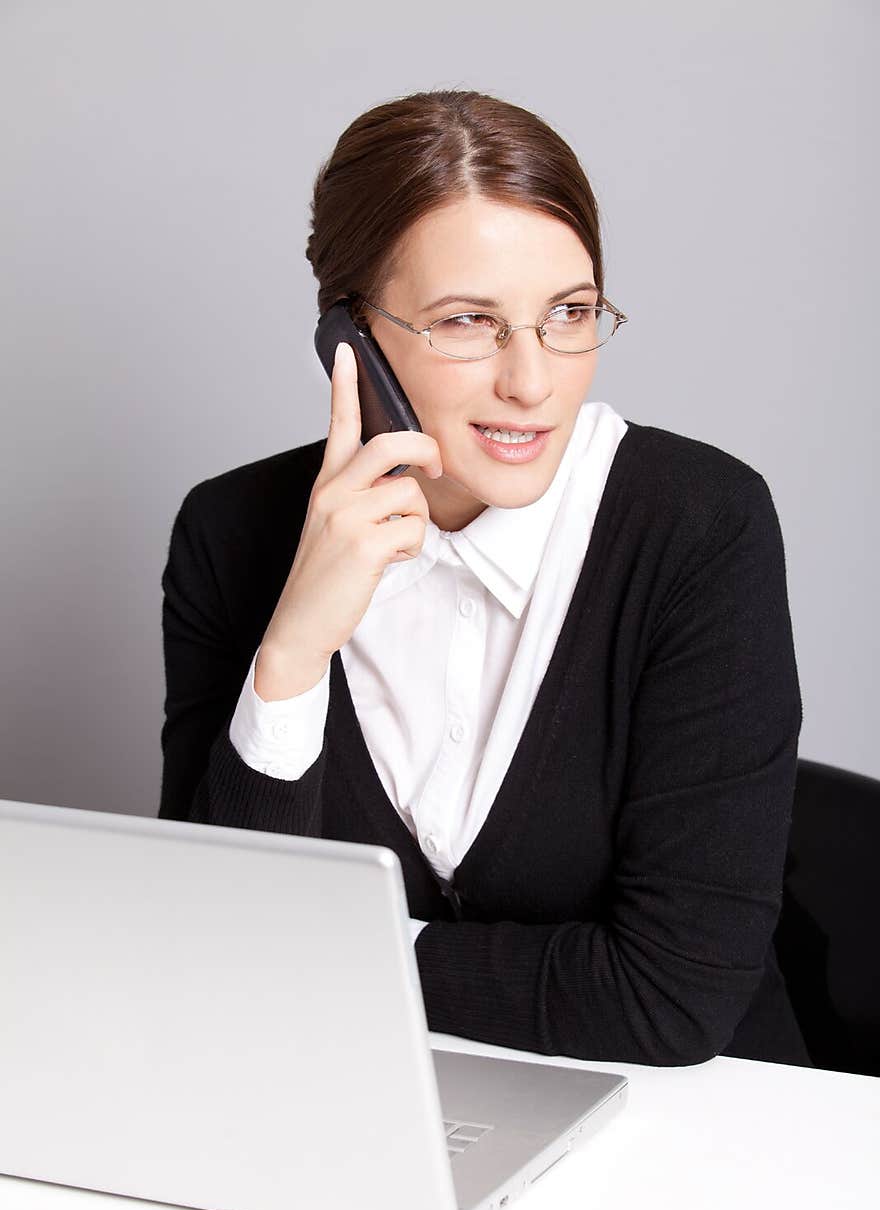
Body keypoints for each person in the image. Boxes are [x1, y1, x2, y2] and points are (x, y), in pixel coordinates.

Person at [158, 89, 811, 1068]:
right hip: (370, 1118)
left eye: (569, 314)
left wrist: (334, 964)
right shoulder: (232, 533)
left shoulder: (697, 527)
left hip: (701, 1134)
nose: (533, 381)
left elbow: (668, 998)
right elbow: (210, 948)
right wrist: (292, 652)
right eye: (468, 321)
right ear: (350, 339)